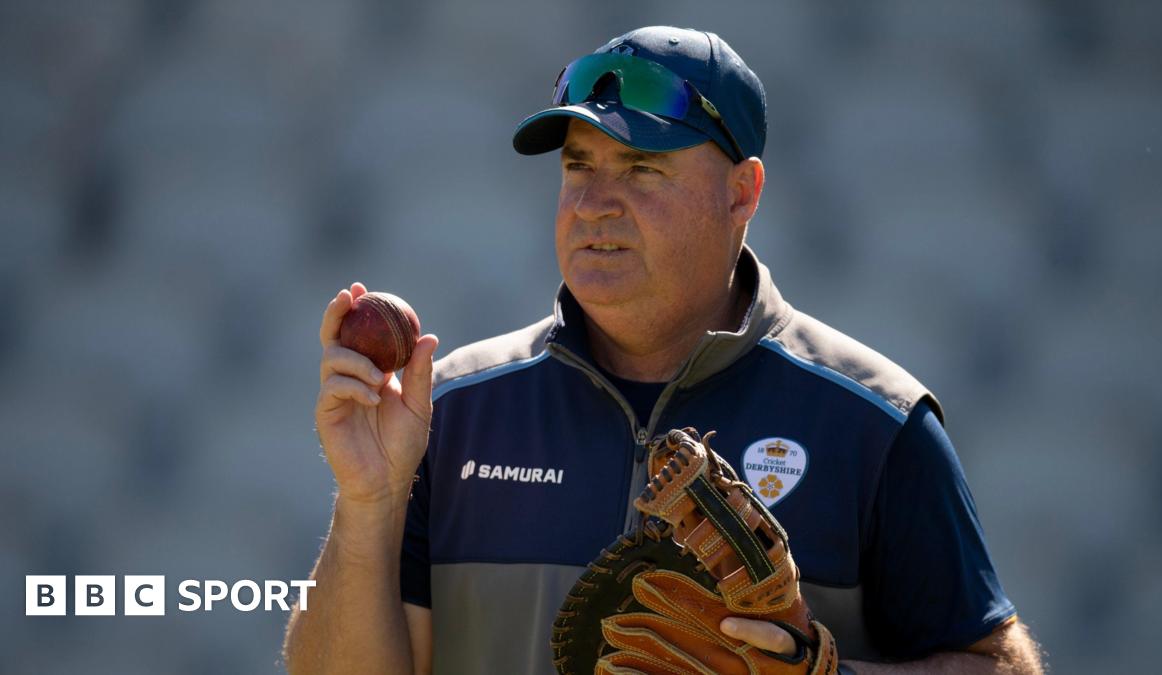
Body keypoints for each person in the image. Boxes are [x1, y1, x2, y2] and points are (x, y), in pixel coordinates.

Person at [284, 26, 1045, 675]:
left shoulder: (877, 423)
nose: (593, 204)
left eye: (642, 168)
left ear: (742, 192)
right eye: (578, 165)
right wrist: (368, 503)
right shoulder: (446, 414)